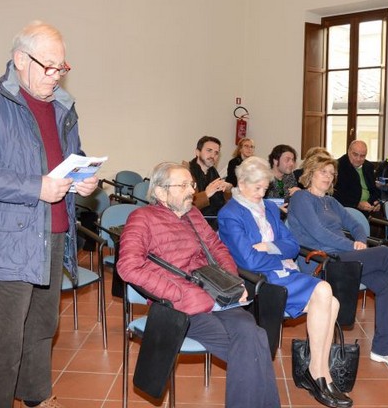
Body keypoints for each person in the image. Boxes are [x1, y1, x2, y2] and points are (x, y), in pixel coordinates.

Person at [0, 21, 98, 408]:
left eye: (62, 67)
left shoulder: (62, 106)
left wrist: (83, 178)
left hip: (53, 232)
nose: (56, 75)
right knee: (6, 340)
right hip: (6, 238)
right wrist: (35, 187)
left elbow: (69, 157)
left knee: (44, 326)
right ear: (20, 59)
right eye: (49, 66)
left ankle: (36, 396)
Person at [117, 162, 280, 408]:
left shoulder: (193, 214)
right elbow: (128, 266)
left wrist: (233, 282)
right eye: (183, 185)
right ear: (161, 192)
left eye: (191, 184)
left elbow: (217, 248)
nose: (192, 190)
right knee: (252, 345)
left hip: (215, 293)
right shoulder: (142, 218)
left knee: (254, 334)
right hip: (179, 308)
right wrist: (177, 293)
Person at [218, 156, 351, 408]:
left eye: (265, 187)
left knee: (331, 303)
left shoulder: (269, 208)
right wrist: (278, 254)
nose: (262, 193)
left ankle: (320, 372)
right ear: (241, 183)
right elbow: (248, 260)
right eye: (257, 187)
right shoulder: (230, 214)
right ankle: (317, 374)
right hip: (258, 281)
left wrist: (268, 246)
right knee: (324, 290)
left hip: (282, 273)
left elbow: (292, 245)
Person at [288, 154, 388, 372]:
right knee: (385, 253)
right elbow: (319, 233)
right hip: (320, 260)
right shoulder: (301, 198)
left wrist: (360, 242)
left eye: (331, 173)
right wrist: (351, 246)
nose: (328, 177)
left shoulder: (331, 201)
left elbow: (356, 225)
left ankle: (384, 349)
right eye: (323, 172)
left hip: (344, 257)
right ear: (310, 173)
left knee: (386, 282)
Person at [188, 136, 232, 228]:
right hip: (194, 225)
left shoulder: (214, 173)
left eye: (216, 153)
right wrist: (206, 194)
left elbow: (226, 202)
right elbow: (184, 206)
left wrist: (228, 189)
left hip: (217, 221)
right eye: (209, 150)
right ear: (197, 152)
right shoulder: (186, 173)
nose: (213, 156)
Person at [333, 140, 381, 214]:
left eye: (362, 156)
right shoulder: (338, 166)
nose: (358, 159)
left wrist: (376, 202)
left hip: (368, 207)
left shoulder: (368, 166)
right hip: (347, 208)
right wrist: (357, 204)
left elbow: (374, 190)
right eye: (355, 154)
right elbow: (335, 194)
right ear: (348, 152)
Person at [265, 144, 300, 213]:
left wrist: (299, 193)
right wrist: (276, 209)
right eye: (287, 160)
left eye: (293, 160)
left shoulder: (290, 176)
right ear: (275, 161)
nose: (291, 163)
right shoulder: (264, 177)